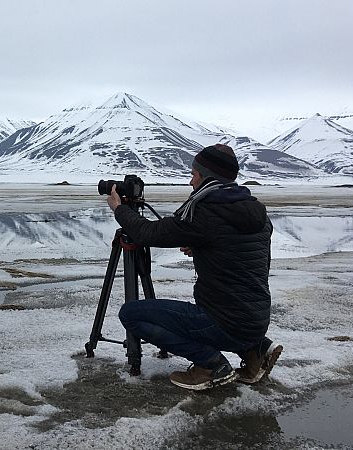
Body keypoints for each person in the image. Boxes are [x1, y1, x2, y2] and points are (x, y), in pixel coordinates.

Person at [106, 143, 282, 390]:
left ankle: (210, 365)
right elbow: (241, 255)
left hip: (223, 322)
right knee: (229, 317)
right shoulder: (257, 213)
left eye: (193, 175)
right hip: (256, 320)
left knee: (131, 314)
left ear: (207, 177)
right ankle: (256, 350)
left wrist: (120, 210)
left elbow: (147, 233)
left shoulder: (205, 212)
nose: (191, 182)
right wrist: (202, 247)